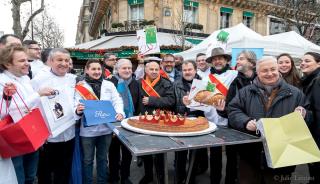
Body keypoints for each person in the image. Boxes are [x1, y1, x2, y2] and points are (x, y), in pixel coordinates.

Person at [228, 56, 309, 184]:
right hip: (250, 155)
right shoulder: (245, 92)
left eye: (273, 69)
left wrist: (304, 113)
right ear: (258, 73)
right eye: (265, 70)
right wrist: (245, 122)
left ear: (278, 70)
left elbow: (309, 113)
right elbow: (233, 110)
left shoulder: (295, 93)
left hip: (283, 155)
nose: (270, 73)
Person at [0, 45, 53, 184]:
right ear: (7, 64)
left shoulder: (25, 79)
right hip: (14, 136)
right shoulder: (2, 81)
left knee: (31, 175)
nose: (27, 63)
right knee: (18, 176)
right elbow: (8, 111)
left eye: (26, 60)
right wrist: (38, 94)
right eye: (21, 61)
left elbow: (31, 105)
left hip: (32, 132)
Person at [75, 59, 125, 184]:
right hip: (88, 131)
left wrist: (120, 112)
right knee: (87, 160)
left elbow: (117, 100)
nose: (97, 72)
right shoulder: (80, 87)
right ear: (87, 70)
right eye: (93, 69)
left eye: (99, 69)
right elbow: (75, 103)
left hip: (105, 129)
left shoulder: (109, 84)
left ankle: (102, 181)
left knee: (103, 159)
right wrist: (78, 109)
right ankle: (88, 181)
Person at [31, 48, 77, 184]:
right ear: (50, 61)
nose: (64, 63)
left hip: (69, 135)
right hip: (48, 137)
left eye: (66, 60)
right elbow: (32, 107)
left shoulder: (74, 80)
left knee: (64, 172)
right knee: (45, 173)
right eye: (59, 60)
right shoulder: (38, 80)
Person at [216, 50, 257, 184]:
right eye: (237, 59)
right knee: (232, 162)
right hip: (236, 129)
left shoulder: (260, 79)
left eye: (241, 59)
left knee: (251, 165)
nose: (237, 62)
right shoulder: (235, 82)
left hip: (256, 130)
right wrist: (222, 111)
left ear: (251, 63)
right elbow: (230, 107)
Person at [205, 47, 238, 184]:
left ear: (226, 60)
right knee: (215, 155)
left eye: (220, 58)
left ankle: (230, 180)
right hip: (212, 121)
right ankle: (215, 180)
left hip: (231, 119)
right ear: (212, 62)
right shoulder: (206, 77)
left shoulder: (234, 74)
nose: (218, 61)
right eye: (215, 59)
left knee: (232, 155)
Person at [138, 60, 175, 184]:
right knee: (146, 151)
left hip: (161, 121)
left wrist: (152, 100)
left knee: (160, 151)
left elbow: (171, 101)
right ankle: (148, 175)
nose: (154, 71)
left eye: (156, 69)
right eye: (151, 69)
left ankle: (161, 176)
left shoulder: (167, 83)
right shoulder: (139, 83)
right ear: (146, 70)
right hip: (144, 121)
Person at [108, 59, 141, 184]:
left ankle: (125, 177)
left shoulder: (136, 83)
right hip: (114, 123)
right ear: (118, 69)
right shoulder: (111, 81)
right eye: (124, 68)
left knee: (127, 152)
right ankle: (113, 177)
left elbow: (138, 103)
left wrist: (135, 120)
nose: (127, 70)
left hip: (130, 123)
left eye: (129, 68)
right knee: (113, 152)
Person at [173, 60, 203, 184]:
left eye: (190, 69)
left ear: (195, 70)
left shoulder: (204, 83)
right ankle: (179, 178)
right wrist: (183, 107)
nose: (187, 72)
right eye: (184, 70)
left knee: (195, 153)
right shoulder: (176, 84)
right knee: (180, 153)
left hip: (198, 121)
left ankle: (191, 178)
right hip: (182, 121)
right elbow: (172, 103)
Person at [299, 52, 320, 184]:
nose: (302, 63)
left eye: (307, 61)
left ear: (318, 63)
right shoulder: (309, 80)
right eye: (302, 61)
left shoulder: (317, 80)